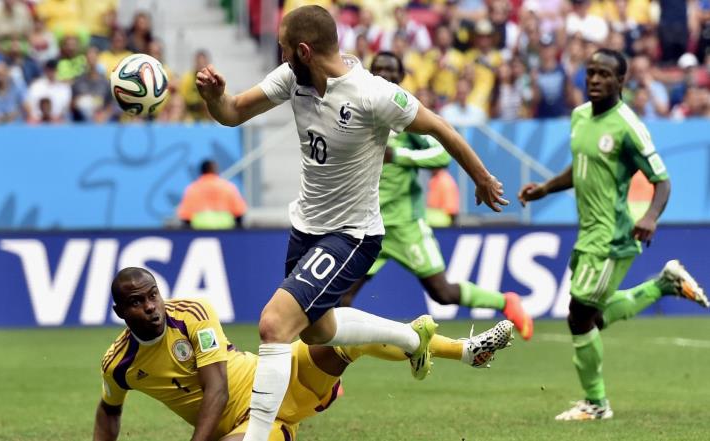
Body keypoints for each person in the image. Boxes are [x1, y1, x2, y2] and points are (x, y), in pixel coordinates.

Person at [195, 6, 508, 440]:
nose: (281, 57)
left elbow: (442, 129)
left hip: (352, 235)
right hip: (305, 230)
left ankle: (255, 436)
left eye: (284, 49)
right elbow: (231, 112)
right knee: (318, 331)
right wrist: (214, 97)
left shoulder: (373, 94)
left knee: (274, 325)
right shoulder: (292, 78)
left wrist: (481, 177)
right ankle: (415, 340)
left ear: (304, 51)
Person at [93, 267, 515, 441]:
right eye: (137, 302)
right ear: (120, 312)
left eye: (153, 295)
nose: (151, 307)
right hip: (251, 426)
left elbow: (216, 389)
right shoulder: (119, 364)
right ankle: (420, 343)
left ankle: (465, 351)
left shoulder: (191, 314)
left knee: (342, 333)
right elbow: (109, 411)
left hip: (282, 375)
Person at [518, 48, 709, 421]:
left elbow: (662, 180)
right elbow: (581, 165)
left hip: (612, 235)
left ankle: (596, 403)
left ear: (621, 81)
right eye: (591, 72)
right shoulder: (579, 116)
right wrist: (545, 189)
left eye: (604, 74)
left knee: (579, 316)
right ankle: (663, 285)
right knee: (589, 316)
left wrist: (650, 216)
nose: (594, 79)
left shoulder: (628, 127)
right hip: (588, 233)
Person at [340, 52, 533, 341]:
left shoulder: (404, 114)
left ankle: (506, 302)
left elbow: (441, 154)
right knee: (342, 299)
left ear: (401, 77)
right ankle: (333, 368)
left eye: (390, 71)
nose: (383, 75)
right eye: (378, 69)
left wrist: (399, 155)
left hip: (405, 225)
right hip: (368, 226)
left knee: (442, 293)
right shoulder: (359, 113)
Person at [176, 159, 247, 229]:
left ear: (201, 172)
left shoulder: (193, 188)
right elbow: (239, 211)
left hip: (200, 227)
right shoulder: (228, 187)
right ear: (216, 171)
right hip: (225, 226)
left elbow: (185, 215)